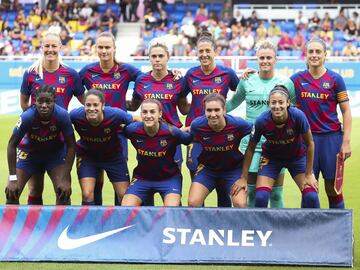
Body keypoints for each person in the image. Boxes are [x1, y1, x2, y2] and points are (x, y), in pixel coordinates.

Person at [226, 40, 296, 208]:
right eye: (261, 57)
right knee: (250, 192)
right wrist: (208, 112)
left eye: (269, 58)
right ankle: (253, 231)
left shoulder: (286, 83)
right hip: (250, 144)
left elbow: (295, 109)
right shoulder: (247, 80)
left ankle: (278, 231)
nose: (265, 61)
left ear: (276, 59)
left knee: (276, 194)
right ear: (256, 59)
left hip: (276, 145)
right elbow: (232, 103)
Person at [20, 32, 85, 205]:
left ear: (60, 48)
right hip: (34, 142)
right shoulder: (31, 73)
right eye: (46, 46)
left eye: (54, 46)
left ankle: (61, 230)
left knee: (63, 191)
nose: (50, 49)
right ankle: (34, 230)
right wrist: (35, 125)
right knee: (34, 189)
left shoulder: (71, 74)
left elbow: (86, 102)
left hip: (60, 143)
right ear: (41, 48)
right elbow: (24, 104)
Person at [233, 85, 320, 208]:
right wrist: (243, 177)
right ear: (269, 103)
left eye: (281, 102)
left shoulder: (298, 116)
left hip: (297, 158)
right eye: (273, 102)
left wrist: (309, 174)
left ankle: (314, 226)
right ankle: (262, 227)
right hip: (271, 159)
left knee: (311, 196)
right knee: (261, 197)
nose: (277, 106)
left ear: (288, 103)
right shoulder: (262, 120)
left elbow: (310, 143)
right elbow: (250, 149)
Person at [290, 39, 352, 209]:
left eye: (318, 52)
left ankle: (341, 233)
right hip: (305, 141)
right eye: (311, 52)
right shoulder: (296, 80)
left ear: (325, 55)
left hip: (331, 140)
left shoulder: (335, 79)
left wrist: (346, 142)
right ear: (306, 54)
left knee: (333, 189)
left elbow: (346, 111)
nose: (314, 55)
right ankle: (310, 233)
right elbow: (275, 91)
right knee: (308, 190)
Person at [182, 30, 240, 207]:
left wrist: (227, 110)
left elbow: (242, 92)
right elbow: (180, 97)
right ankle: (200, 223)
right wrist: (187, 111)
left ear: (215, 52)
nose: (204, 54)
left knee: (222, 185)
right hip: (196, 135)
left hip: (220, 135)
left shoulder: (227, 73)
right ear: (196, 53)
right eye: (201, 51)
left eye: (208, 51)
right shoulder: (191, 74)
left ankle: (222, 225)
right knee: (196, 177)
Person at [6, 85, 75, 205]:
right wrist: (12, 178)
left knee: (63, 192)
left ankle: (62, 224)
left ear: (54, 101)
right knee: (12, 192)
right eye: (40, 102)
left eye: (48, 102)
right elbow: (11, 145)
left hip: (54, 154)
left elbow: (71, 146)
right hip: (29, 154)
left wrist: (65, 176)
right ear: (35, 102)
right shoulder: (27, 116)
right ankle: (22, 224)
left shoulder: (62, 115)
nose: (44, 105)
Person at [127, 40, 189, 167]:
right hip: (148, 135)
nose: (157, 60)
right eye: (153, 56)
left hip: (172, 135)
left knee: (174, 173)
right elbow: (134, 106)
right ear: (149, 58)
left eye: (161, 56)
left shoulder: (177, 80)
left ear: (168, 58)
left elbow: (184, 109)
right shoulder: (141, 80)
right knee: (148, 172)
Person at [121, 99, 192, 207]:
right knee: (126, 208)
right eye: (144, 112)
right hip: (142, 178)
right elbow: (117, 128)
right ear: (140, 114)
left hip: (169, 178)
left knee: (171, 209)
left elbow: (189, 139)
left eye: (152, 112)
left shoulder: (172, 132)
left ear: (160, 114)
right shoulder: (132, 130)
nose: (148, 115)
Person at [70, 89, 134, 205]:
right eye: (88, 105)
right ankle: (90, 223)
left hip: (113, 157)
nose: (91, 108)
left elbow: (135, 120)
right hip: (87, 157)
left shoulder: (115, 114)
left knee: (124, 196)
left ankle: (123, 223)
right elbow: (60, 122)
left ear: (103, 105)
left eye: (95, 105)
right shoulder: (75, 115)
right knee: (87, 194)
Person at [188, 93, 252, 208]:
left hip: (233, 170)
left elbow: (257, 130)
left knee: (240, 204)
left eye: (217, 110)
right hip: (208, 170)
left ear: (224, 110)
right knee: (193, 203)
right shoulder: (197, 125)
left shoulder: (238, 124)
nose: (213, 114)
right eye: (209, 110)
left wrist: (244, 178)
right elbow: (187, 134)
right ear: (205, 111)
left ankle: (239, 226)